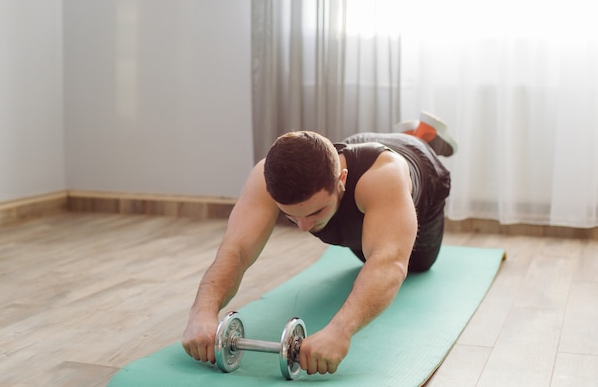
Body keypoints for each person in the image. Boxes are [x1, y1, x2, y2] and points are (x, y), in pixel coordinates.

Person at [181, 111, 455, 376]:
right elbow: (236, 251)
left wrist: (340, 332)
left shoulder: (383, 178)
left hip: (421, 171)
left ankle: (422, 137)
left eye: (315, 212)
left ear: (341, 181)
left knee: (418, 263)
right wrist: (201, 311)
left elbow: (389, 263)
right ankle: (401, 138)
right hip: (354, 156)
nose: (303, 227)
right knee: (362, 248)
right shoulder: (266, 176)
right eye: (290, 215)